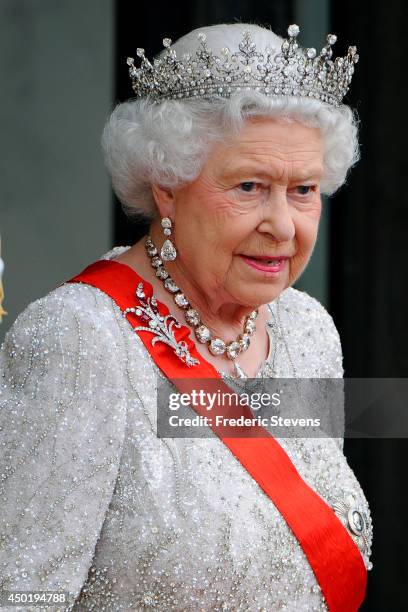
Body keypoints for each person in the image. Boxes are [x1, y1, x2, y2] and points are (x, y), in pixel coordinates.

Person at [0, 22, 373, 611]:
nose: (283, 225)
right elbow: (22, 592)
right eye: (250, 186)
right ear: (167, 186)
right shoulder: (81, 340)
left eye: (303, 190)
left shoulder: (306, 328)